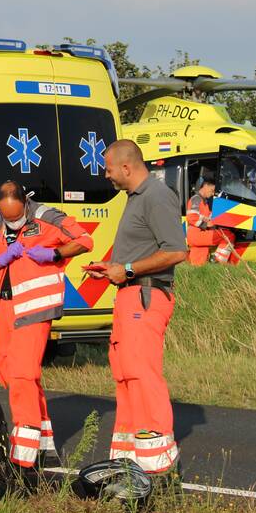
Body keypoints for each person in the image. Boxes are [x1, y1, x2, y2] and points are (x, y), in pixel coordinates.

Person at [0, 181, 93, 474]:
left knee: (23, 375)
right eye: (7, 216)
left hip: (36, 308)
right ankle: (45, 445)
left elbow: (85, 240)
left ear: (25, 202)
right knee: (8, 371)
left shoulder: (47, 217)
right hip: (5, 309)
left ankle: (24, 458)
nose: (12, 221)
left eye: (16, 216)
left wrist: (54, 255)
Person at [85, 140, 187, 477]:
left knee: (142, 375)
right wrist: (113, 267)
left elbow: (176, 251)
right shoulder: (137, 198)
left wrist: (126, 269)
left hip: (144, 296)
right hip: (130, 295)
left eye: (109, 168)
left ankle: (159, 467)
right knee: (126, 376)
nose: (106, 175)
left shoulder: (156, 197)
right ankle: (130, 466)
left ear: (126, 167)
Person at [186, 177, 233, 265]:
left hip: (196, 236)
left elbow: (205, 216)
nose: (212, 194)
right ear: (205, 186)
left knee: (198, 265)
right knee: (228, 235)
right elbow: (192, 217)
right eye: (212, 190)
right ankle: (217, 261)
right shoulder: (196, 199)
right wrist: (207, 225)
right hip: (198, 234)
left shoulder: (204, 202)